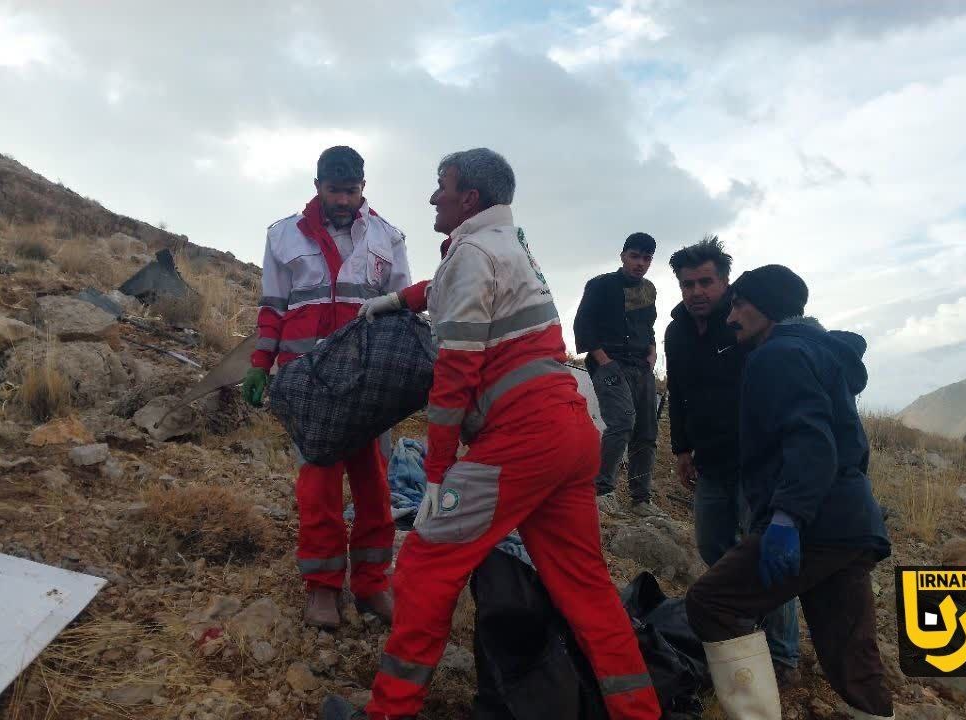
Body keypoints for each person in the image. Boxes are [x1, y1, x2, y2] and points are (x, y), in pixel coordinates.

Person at [332, 148, 662, 720]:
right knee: (585, 587)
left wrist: (437, 472)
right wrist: (397, 299)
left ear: (470, 199)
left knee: (425, 565)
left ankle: (388, 711)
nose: (433, 196)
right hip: (571, 434)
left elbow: (454, 371)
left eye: (442, 186)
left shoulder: (472, 253)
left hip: (523, 438)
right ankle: (639, 711)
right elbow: (450, 291)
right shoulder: (509, 246)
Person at [683, 265, 894, 720]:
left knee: (711, 600)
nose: (731, 316)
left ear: (769, 308)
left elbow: (810, 438)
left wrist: (787, 517)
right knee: (849, 653)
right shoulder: (818, 353)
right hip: (850, 524)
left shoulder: (777, 355)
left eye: (740, 304)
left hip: (814, 522)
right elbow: (848, 446)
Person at [240, 146, 411, 630]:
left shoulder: (388, 237)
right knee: (318, 490)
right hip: (308, 383)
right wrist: (260, 363)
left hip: (366, 386)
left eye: (352, 191)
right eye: (335, 190)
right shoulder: (282, 236)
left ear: (363, 188)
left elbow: (401, 307)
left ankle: (373, 584)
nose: (344, 199)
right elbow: (272, 307)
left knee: (376, 488)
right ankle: (322, 588)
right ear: (317, 187)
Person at [663, 237, 801, 686]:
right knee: (712, 547)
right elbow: (678, 394)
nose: (697, 291)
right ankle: (743, 623)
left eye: (706, 281)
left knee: (762, 553)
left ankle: (782, 655)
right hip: (710, 460)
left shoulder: (745, 325)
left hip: (757, 461)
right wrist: (681, 448)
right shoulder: (676, 330)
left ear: (724, 282)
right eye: (688, 284)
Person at [572, 232, 660, 516]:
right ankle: (601, 491)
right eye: (635, 256)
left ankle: (641, 500)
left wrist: (652, 352)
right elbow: (583, 324)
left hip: (641, 365)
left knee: (646, 432)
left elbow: (649, 325)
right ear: (622, 255)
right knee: (622, 421)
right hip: (609, 362)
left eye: (646, 258)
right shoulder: (600, 285)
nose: (640, 263)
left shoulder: (649, 290)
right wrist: (604, 360)